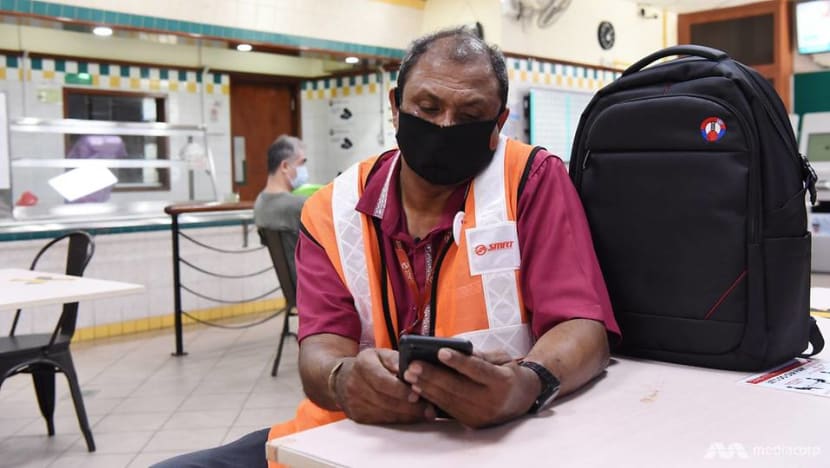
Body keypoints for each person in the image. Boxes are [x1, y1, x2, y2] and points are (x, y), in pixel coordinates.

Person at [153, 26, 619, 468]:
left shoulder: (531, 182)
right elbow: (318, 353)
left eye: (470, 115)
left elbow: (583, 327)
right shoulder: (331, 210)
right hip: (351, 437)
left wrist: (525, 384)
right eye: (428, 106)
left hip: (491, 443)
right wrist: (343, 380)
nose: (444, 125)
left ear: (497, 123)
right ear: (395, 107)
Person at [253, 135, 309, 282]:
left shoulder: (259, 203)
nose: (304, 169)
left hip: (293, 288)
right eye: (302, 163)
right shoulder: (300, 205)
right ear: (284, 166)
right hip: (313, 289)